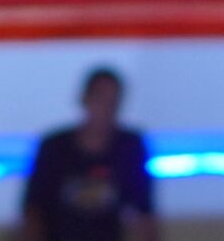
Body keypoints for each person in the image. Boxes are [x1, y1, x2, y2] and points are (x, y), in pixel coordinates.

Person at [21, 67, 157, 241]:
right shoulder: (54, 148)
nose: (106, 108)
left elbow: (144, 215)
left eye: (113, 102)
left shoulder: (129, 148)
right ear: (84, 99)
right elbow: (34, 213)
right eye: (100, 99)